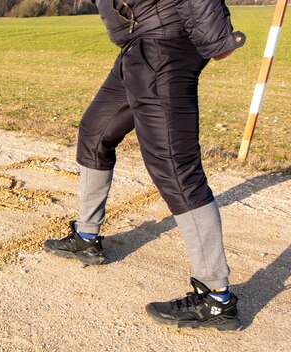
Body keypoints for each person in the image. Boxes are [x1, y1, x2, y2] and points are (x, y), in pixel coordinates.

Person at [44, 0, 246, 331]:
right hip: (138, 47)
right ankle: (86, 237)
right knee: (95, 133)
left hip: (164, 46)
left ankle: (216, 299)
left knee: (175, 167)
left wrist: (216, 38)